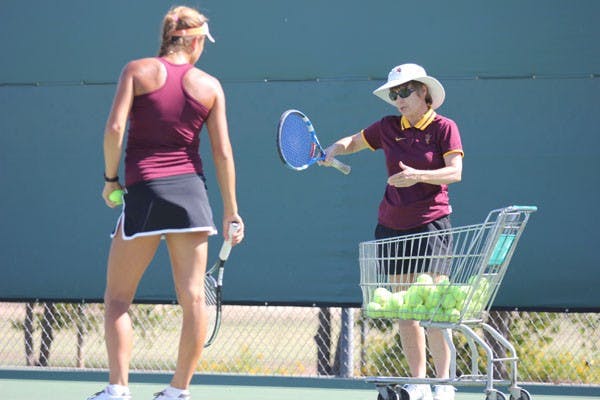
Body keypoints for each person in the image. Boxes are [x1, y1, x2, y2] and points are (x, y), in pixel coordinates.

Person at [90, 6, 244, 400]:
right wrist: (231, 211)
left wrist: (110, 181)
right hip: (192, 199)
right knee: (193, 298)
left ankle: (118, 389)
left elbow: (114, 129)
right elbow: (223, 153)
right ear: (193, 41)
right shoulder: (210, 86)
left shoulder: (136, 71)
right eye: (203, 43)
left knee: (118, 299)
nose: (203, 49)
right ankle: (178, 392)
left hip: (145, 195)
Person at [321, 63, 463, 400]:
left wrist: (418, 175)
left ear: (423, 93)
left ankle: (443, 385)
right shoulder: (387, 127)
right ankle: (418, 383)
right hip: (392, 227)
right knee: (405, 312)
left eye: (404, 92)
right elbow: (354, 141)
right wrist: (333, 149)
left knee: (433, 311)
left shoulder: (445, 127)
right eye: (393, 93)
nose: (397, 99)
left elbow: (455, 172)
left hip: (431, 225)